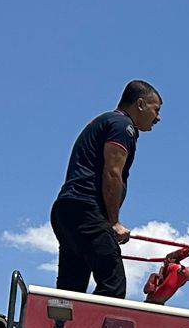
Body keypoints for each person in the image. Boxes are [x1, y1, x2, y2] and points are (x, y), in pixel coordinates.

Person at [51, 81, 163, 299]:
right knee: (113, 285)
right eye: (156, 109)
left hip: (67, 211)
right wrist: (113, 222)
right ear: (140, 104)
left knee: (69, 293)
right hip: (86, 210)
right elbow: (112, 173)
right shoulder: (122, 126)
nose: (158, 118)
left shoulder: (107, 121)